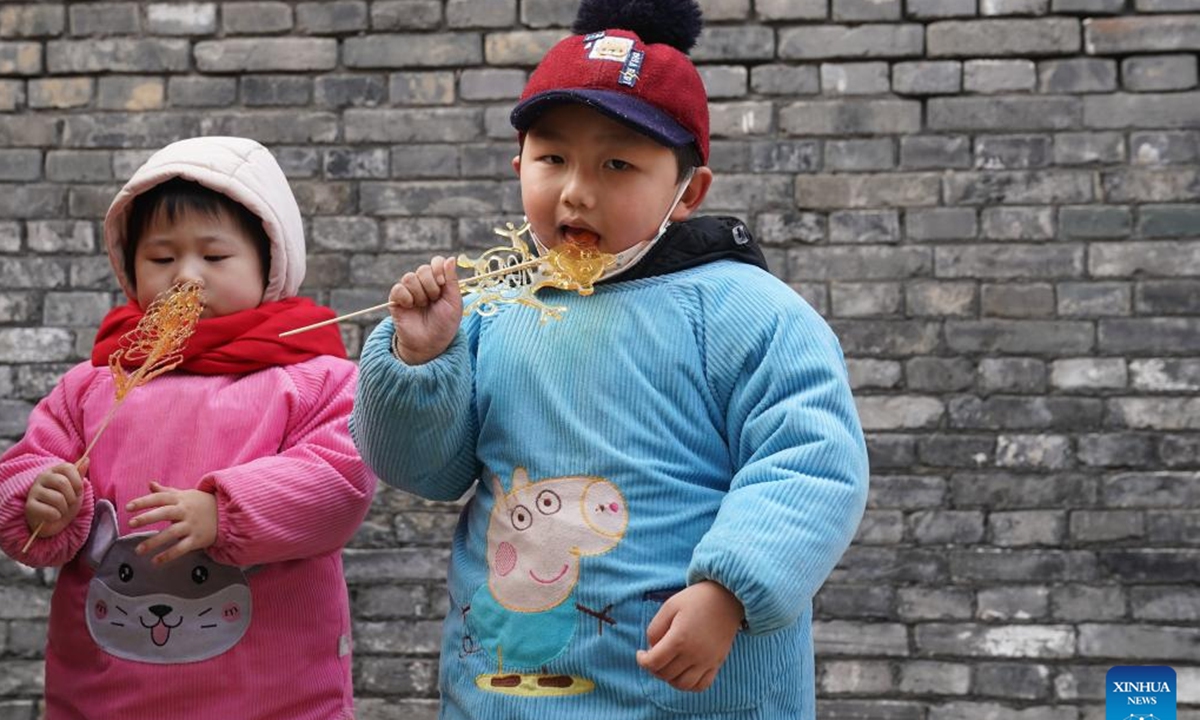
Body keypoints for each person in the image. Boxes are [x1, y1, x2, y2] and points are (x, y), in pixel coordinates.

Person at [351, 0, 869, 717]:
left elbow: (811, 462)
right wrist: (419, 357)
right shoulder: (497, 308)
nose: (576, 190)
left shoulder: (749, 313)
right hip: (504, 694)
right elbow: (427, 472)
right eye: (552, 158)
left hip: (692, 693)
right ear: (519, 164)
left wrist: (729, 590)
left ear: (689, 191)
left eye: (617, 163)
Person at [0, 136, 375, 720]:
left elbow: (339, 482)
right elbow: (28, 467)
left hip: (274, 691)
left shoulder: (313, 377)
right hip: (106, 694)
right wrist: (39, 500)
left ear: (269, 264)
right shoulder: (94, 383)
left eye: (215, 257)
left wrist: (223, 514)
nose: (187, 278)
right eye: (161, 259)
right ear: (129, 269)